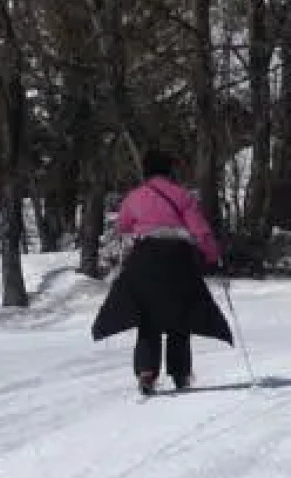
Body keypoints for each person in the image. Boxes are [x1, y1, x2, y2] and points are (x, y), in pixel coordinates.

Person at [90, 149, 233, 395]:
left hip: (145, 257)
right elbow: (201, 230)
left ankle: (146, 372)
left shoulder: (135, 196)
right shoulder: (182, 196)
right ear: (170, 170)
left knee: (147, 315)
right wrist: (212, 254)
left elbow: (123, 225)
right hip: (177, 257)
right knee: (180, 315)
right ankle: (180, 373)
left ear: (146, 170)